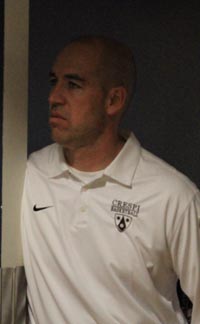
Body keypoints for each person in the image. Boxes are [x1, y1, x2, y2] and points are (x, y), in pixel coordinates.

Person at [21, 35, 200, 324]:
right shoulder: (28, 176)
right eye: (54, 82)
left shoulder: (173, 195)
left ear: (113, 100)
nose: (54, 97)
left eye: (74, 85)